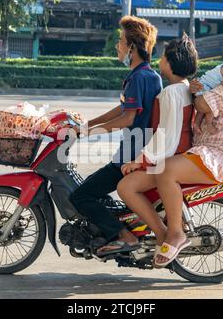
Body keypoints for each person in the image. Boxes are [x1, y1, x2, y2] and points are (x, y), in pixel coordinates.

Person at [123, 24, 223, 268]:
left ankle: (175, 233)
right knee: (127, 185)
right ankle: (159, 232)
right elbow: (201, 94)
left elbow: (204, 105)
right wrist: (198, 90)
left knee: (166, 170)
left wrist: (199, 92)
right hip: (206, 148)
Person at [96, 34, 199, 256]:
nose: (159, 60)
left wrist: (139, 161)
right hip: (177, 155)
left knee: (125, 187)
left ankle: (162, 234)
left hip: (167, 158)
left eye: (163, 57)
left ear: (171, 63)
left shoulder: (171, 93)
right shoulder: (184, 88)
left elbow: (166, 135)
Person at [69, 16, 162, 255]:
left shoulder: (138, 78)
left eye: (121, 41)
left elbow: (127, 119)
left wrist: (87, 133)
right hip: (137, 151)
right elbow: (122, 109)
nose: (117, 46)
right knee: (93, 191)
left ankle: (123, 236)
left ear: (132, 47)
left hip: (130, 157)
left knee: (80, 196)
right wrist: (89, 124)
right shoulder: (147, 75)